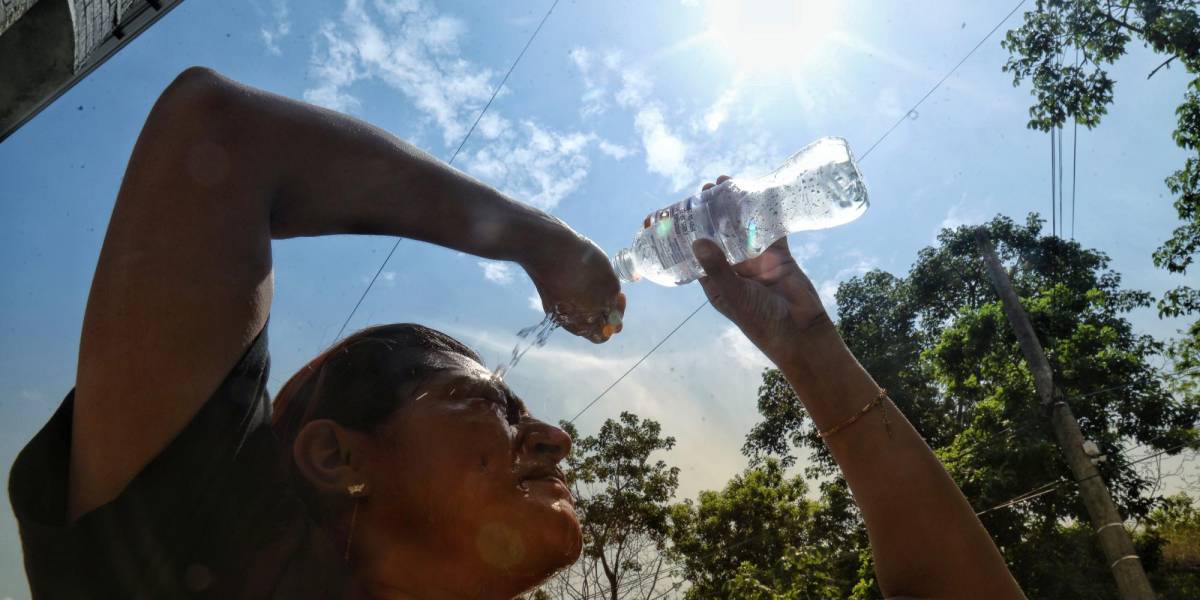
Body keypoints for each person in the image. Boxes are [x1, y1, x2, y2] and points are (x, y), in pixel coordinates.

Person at [8, 67, 1025, 599]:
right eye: (481, 402)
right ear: (332, 455)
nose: (554, 439)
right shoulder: (190, 576)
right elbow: (216, 135)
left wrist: (811, 352)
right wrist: (532, 238)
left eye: (517, 407)